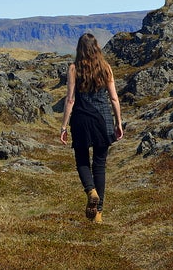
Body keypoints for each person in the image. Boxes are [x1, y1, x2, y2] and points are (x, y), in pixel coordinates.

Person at [59, 33, 123, 224]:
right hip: (103, 119)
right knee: (100, 165)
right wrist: (118, 122)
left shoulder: (73, 69)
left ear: (79, 49)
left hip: (80, 119)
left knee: (82, 160)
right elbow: (113, 98)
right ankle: (99, 215)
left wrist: (63, 126)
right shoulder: (106, 68)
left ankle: (90, 191)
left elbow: (70, 99)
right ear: (97, 48)